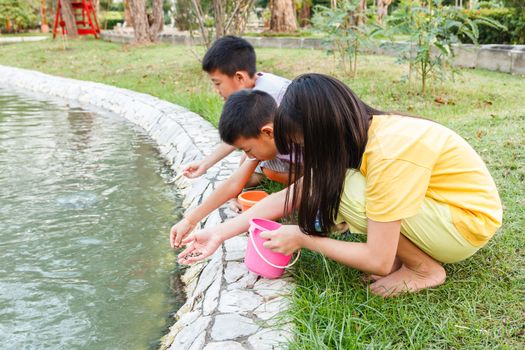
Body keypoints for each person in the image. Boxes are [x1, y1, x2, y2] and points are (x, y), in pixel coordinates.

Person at [177, 73, 503, 297]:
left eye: (304, 141)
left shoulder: (389, 151)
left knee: (347, 190)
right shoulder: (366, 134)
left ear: (324, 129)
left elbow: (375, 259)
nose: (305, 150)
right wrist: (218, 232)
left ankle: (424, 270)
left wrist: (303, 238)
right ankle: (406, 258)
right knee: (340, 184)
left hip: (464, 226)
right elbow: (292, 195)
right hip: (445, 214)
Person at [170, 90, 295, 248]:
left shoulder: (302, 141)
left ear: (268, 132)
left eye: (247, 148)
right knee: (246, 162)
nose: (247, 153)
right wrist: (190, 220)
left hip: (315, 173)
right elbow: (234, 182)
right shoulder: (269, 137)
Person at [182, 35, 290, 186]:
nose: (217, 90)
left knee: (266, 168)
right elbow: (239, 135)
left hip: (303, 155)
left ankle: (303, 183)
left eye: (218, 83)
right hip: (280, 146)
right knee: (247, 157)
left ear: (239, 78)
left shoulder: (265, 97)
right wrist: (205, 164)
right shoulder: (259, 86)